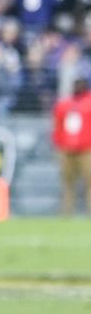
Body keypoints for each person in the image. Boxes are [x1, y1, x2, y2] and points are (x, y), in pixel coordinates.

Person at [51, 78, 91, 216]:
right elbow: (57, 126)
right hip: (67, 149)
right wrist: (58, 145)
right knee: (67, 182)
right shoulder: (64, 104)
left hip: (87, 149)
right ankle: (67, 212)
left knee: (89, 181)